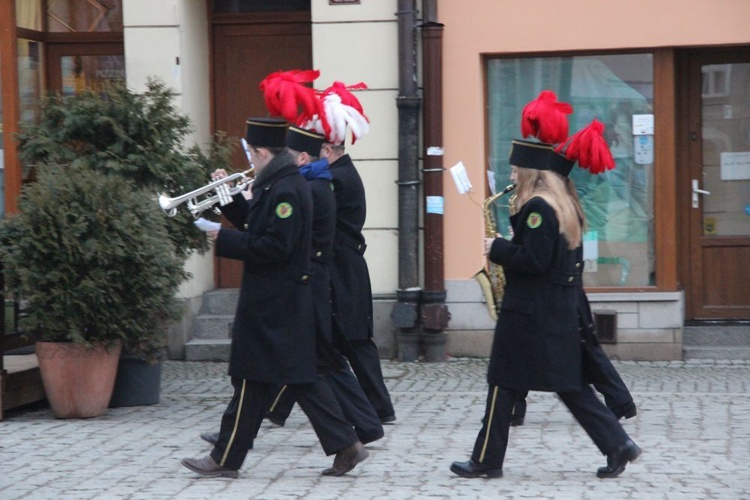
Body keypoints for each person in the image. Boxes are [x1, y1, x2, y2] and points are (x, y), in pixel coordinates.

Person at [450, 91, 641, 480]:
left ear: (531, 172)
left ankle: (487, 460)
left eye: (515, 170)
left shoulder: (538, 208)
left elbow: (534, 261)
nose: (511, 176)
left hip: (530, 312)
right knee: (568, 385)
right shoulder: (563, 204)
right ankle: (618, 444)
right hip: (552, 310)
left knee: (504, 381)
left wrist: (498, 248)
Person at [181, 117, 368, 478]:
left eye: (251, 153)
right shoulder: (278, 183)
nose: (249, 159)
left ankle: (225, 458)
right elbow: (257, 223)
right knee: (300, 378)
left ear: (264, 152)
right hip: (277, 300)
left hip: (275, 302)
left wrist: (224, 238)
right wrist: (230, 198)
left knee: (255, 377)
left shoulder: (287, 190)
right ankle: (347, 444)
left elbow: (275, 246)